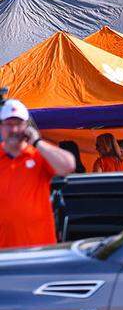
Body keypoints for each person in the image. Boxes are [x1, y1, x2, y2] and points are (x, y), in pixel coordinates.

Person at [0, 99, 76, 248]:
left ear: (27, 127)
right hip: (4, 253)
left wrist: (37, 142)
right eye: (9, 124)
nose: (14, 130)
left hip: (38, 250)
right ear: (1, 127)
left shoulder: (38, 155)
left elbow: (68, 166)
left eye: (18, 124)